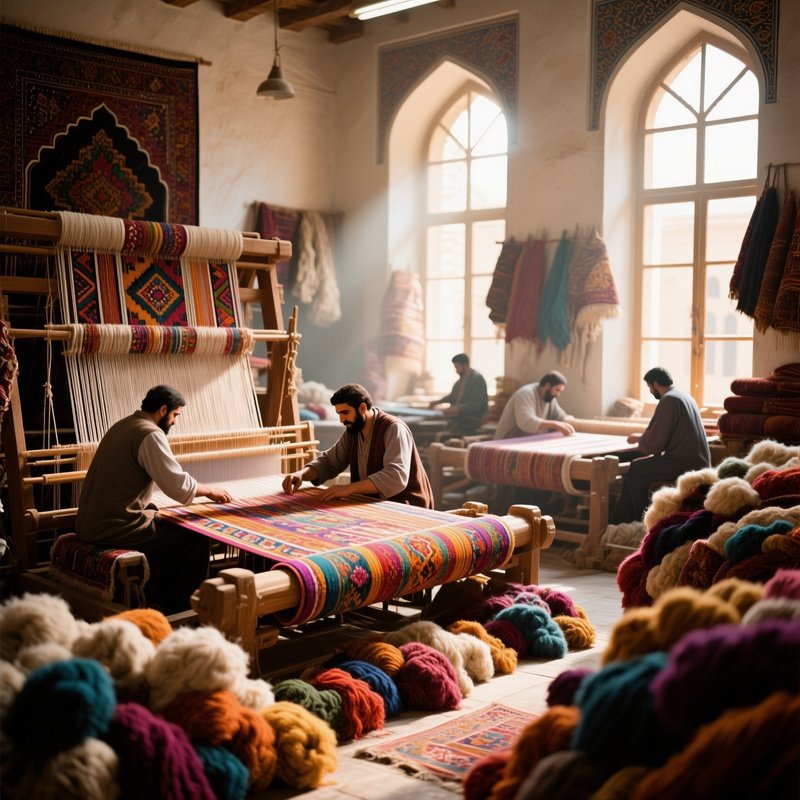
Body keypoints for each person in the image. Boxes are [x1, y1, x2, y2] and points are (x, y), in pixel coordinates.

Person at [76, 385, 233, 614]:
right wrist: (210, 491)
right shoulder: (150, 434)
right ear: (163, 410)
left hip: (89, 523)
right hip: (112, 527)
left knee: (158, 516)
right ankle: (177, 608)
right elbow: (177, 487)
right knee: (197, 539)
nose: (175, 422)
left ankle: (153, 595)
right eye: (175, 415)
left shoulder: (123, 425)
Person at [282, 383, 434, 508]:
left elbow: (395, 476)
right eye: (339, 414)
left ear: (362, 408)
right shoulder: (353, 431)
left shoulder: (393, 428)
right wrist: (301, 474)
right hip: (373, 504)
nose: (342, 420)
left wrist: (348, 489)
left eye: (345, 413)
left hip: (406, 506)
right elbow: (330, 461)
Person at [611, 367, 711, 525]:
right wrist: (641, 438)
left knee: (636, 469)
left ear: (655, 384)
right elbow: (666, 433)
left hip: (685, 463)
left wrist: (641, 441)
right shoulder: (684, 396)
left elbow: (654, 445)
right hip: (698, 461)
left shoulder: (669, 400)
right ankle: (623, 520)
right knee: (640, 466)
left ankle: (628, 522)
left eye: (649, 387)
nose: (650, 391)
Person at [495, 370, 575, 439]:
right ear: (547, 386)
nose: (558, 394)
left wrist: (574, 423)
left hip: (528, 443)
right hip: (507, 442)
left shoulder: (550, 398)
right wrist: (555, 425)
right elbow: (526, 422)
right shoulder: (525, 393)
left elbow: (561, 417)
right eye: (557, 390)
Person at [428, 353, 489, 436]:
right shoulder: (460, 382)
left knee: (439, 432)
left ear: (465, 365)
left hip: (471, 420)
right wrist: (436, 402)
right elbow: (452, 396)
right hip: (459, 418)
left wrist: (453, 409)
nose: (456, 370)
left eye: (457, 367)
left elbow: (476, 404)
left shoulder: (477, 379)